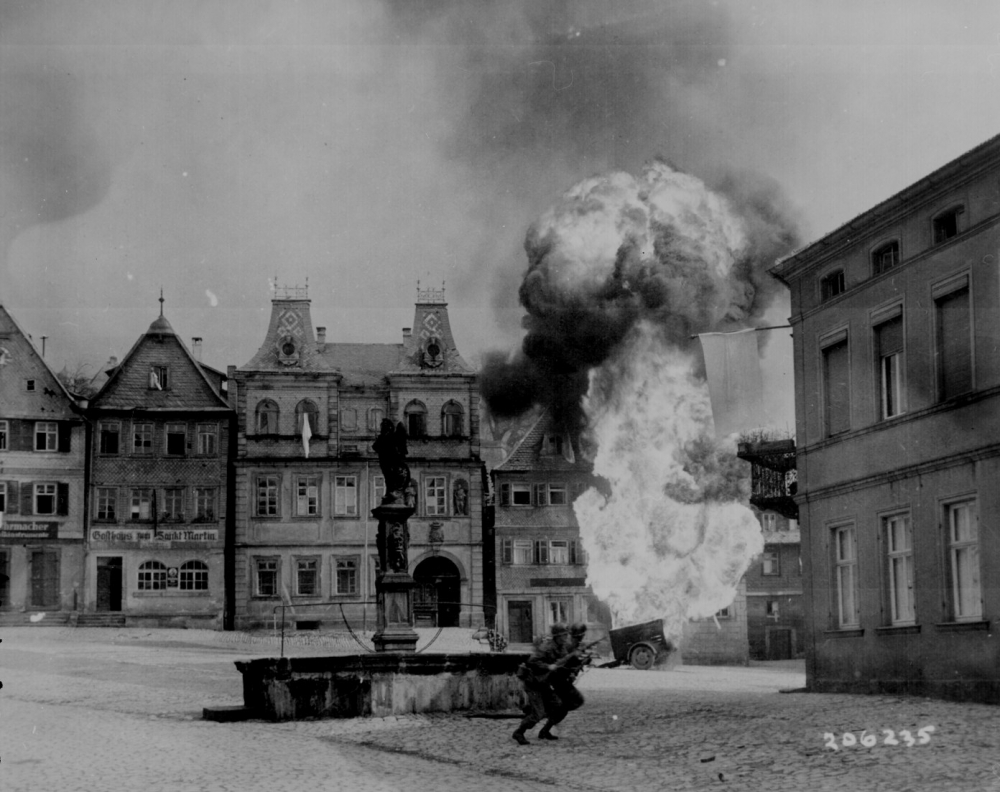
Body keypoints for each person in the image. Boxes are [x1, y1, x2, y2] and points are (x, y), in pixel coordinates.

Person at [512, 624, 572, 745]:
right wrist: (548, 666)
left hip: (545, 683)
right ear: (557, 636)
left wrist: (570, 671)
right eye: (563, 635)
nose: (566, 637)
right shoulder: (546, 647)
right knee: (538, 713)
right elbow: (532, 661)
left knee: (560, 706)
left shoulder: (562, 648)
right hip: (533, 683)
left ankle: (545, 731)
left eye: (566, 635)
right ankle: (519, 732)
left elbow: (563, 663)